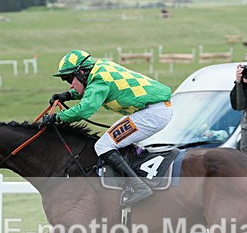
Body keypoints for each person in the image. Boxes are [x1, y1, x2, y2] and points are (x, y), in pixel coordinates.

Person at [40, 49, 173, 207]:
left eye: (70, 78)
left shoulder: (99, 81)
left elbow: (84, 109)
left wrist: (57, 117)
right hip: (154, 109)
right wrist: (68, 95)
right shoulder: (100, 70)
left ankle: (139, 187)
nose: (70, 84)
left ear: (82, 73)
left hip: (153, 113)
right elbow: (90, 89)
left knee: (103, 145)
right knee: (113, 140)